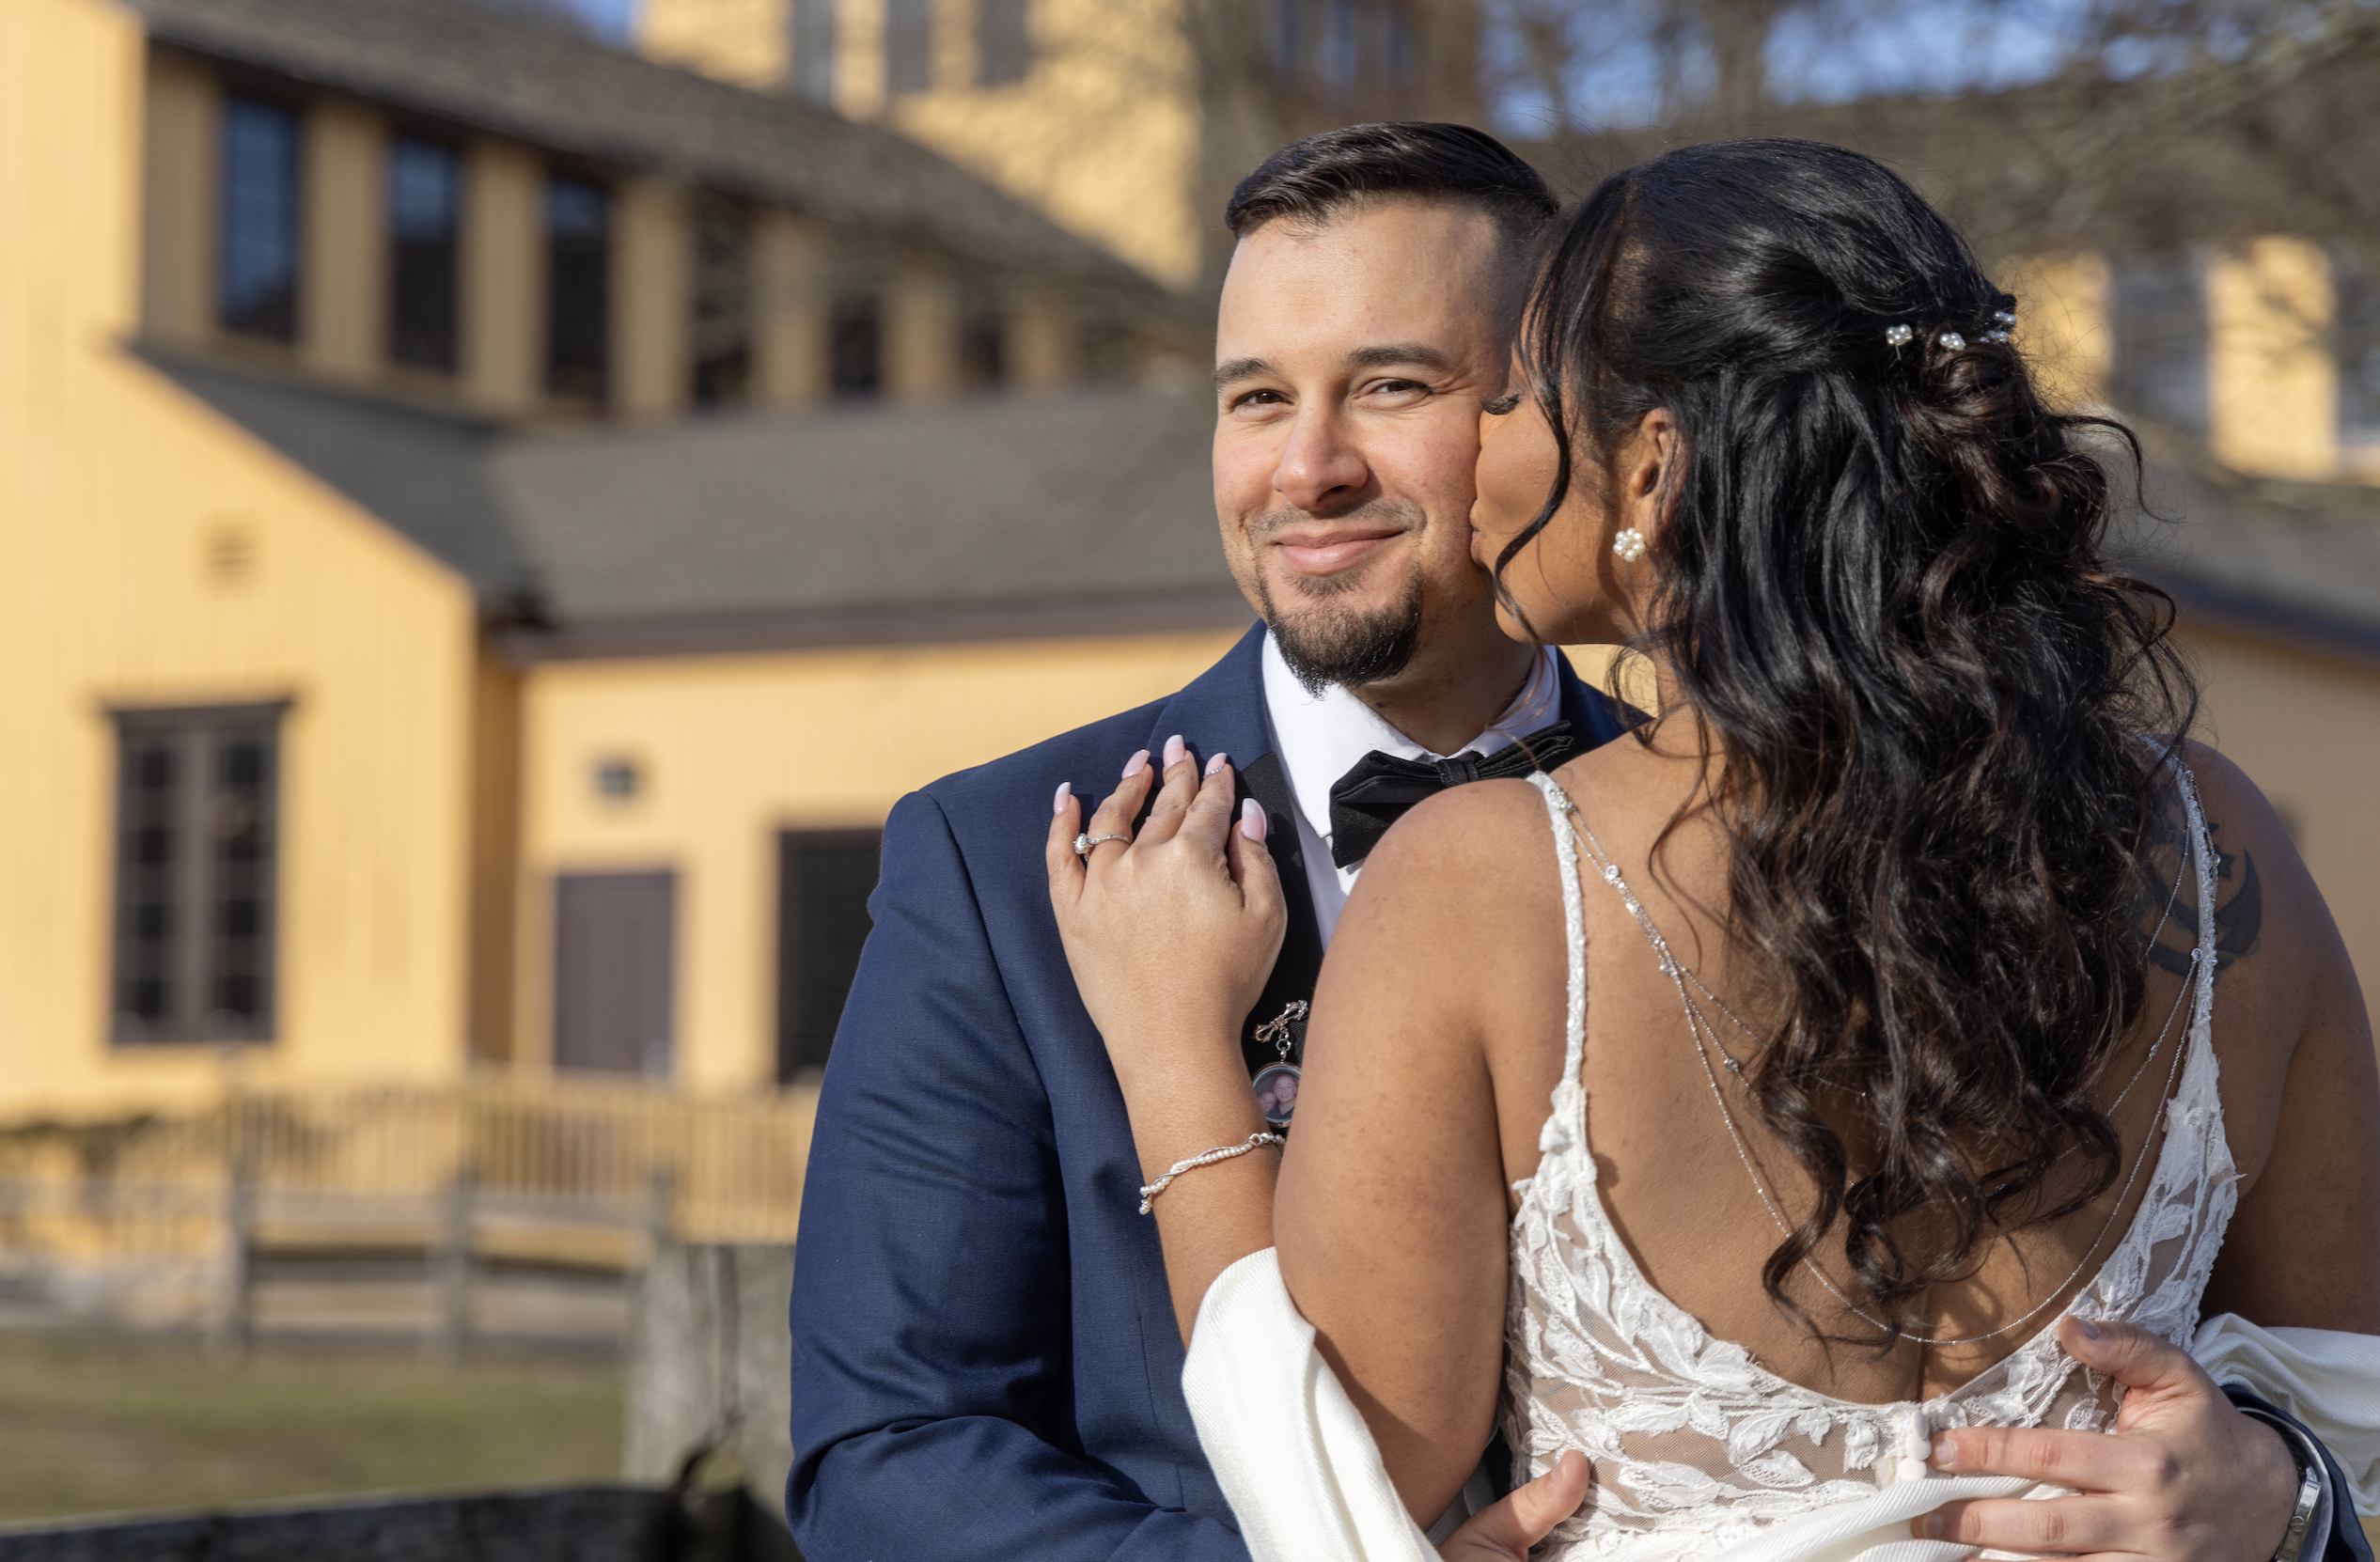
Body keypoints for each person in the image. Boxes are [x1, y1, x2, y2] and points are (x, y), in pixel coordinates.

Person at [1045, 137, 2380, 1562]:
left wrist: (1177, 1055)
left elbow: (1338, 1486)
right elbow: (2356, 1400)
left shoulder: (1480, 886)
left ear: (1653, 469)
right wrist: (2288, 1493)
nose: (1477, 456)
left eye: (1507, 397)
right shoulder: (2215, 841)